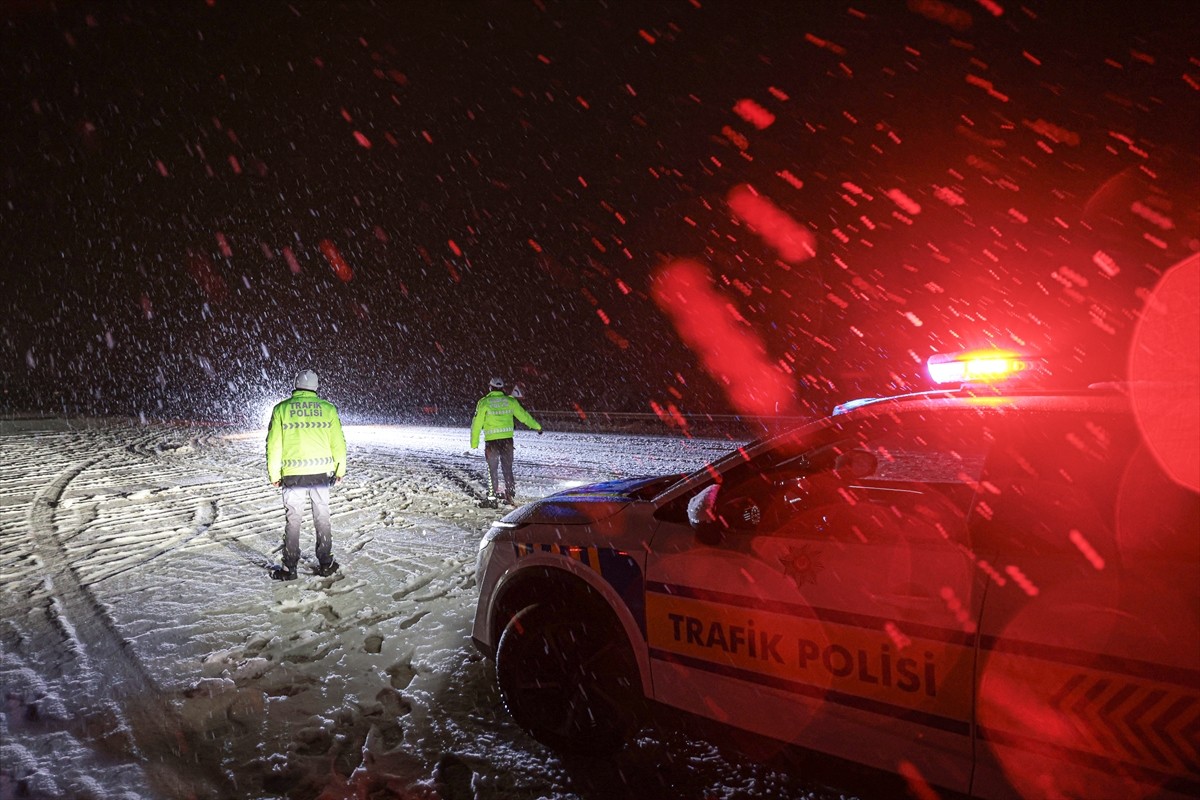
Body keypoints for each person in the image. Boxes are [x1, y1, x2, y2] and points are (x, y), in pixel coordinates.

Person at [265, 369, 347, 580]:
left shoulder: (281, 409)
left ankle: (289, 568)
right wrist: (340, 469)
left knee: (293, 520)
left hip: (293, 476)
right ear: (316, 386)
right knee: (322, 517)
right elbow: (338, 444)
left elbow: (273, 446)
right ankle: (326, 562)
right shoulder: (328, 409)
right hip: (320, 475)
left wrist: (274, 474)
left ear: (296, 384)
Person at [470, 376, 542, 505]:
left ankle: (492, 498)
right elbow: (524, 416)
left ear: (490, 387)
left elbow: (477, 423)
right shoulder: (510, 401)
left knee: (492, 469)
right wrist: (537, 426)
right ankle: (510, 494)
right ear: (502, 388)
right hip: (507, 441)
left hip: (492, 442)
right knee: (507, 468)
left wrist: (474, 442)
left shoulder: (484, 402)